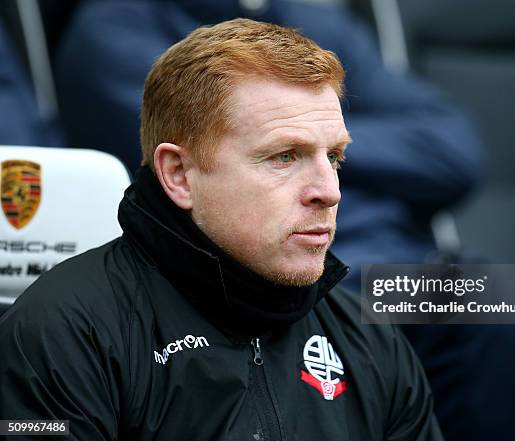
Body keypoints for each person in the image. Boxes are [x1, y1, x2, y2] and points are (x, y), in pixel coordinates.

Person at [0, 19, 443, 440]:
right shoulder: (61, 334)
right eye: (285, 156)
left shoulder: (371, 341)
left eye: (334, 158)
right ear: (178, 174)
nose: (329, 192)